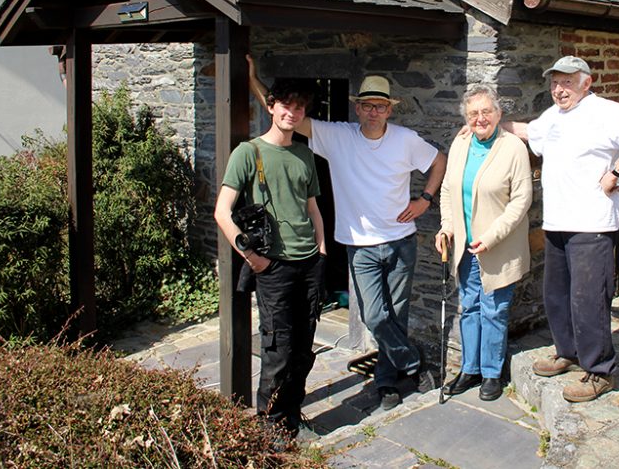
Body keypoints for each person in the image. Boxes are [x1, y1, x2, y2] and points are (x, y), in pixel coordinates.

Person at [247, 59, 447, 411]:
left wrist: (425, 200)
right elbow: (285, 114)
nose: (373, 111)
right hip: (361, 247)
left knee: (395, 315)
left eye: (380, 106)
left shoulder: (406, 140)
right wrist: (253, 79)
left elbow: (439, 161)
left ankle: (387, 382)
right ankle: (413, 363)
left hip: (402, 241)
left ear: (389, 110)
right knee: (375, 316)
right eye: (367, 105)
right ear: (358, 108)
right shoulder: (338, 136)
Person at [504, 55, 619, 402]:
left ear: (586, 83)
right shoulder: (553, 116)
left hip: (592, 225)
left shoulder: (605, 112)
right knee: (557, 296)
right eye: (555, 83)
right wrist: (489, 122)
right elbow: (530, 131)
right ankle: (569, 353)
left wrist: (616, 172)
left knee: (589, 300)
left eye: (567, 82)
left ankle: (600, 370)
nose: (560, 89)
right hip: (557, 222)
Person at [213, 78, 325, 437]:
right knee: (278, 347)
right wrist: (252, 257)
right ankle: (271, 425)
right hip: (273, 266)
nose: (292, 113)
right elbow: (222, 211)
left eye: (300, 108)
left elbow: (313, 207)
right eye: (286, 106)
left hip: (309, 262)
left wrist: (322, 250)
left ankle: (292, 414)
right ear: (271, 106)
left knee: (304, 348)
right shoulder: (249, 152)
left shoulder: (304, 153)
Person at [434, 84, 532, 401]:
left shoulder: (513, 148)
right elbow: (448, 190)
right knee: (469, 308)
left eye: (486, 112)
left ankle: (491, 373)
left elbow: (521, 201)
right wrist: (446, 227)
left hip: (497, 247)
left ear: (498, 114)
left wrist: (491, 238)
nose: (480, 119)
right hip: (465, 247)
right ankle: (470, 369)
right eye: (473, 113)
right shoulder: (461, 143)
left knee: (494, 310)